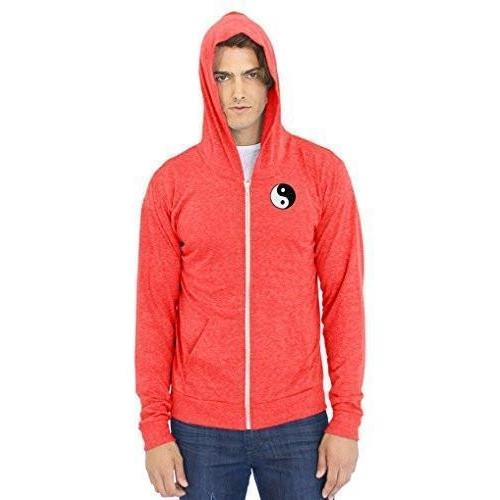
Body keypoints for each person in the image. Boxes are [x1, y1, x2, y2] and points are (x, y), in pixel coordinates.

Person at [135, 11, 365, 500]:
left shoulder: (321, 173)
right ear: (208, 83)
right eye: (224, 77)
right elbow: (155, 310)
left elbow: (343, 297)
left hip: (298, 424)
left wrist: (346, 418)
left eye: (250, 74)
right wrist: (154, 427)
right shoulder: (172, 184)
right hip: (200, 428)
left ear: (269, 81)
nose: (237, 92)